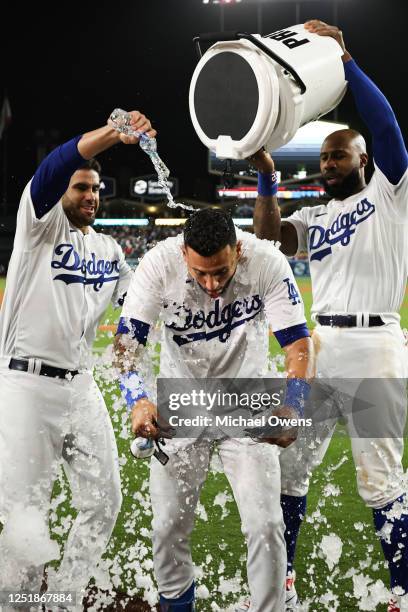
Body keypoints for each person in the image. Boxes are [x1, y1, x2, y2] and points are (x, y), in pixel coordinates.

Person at [252, 20, 408, 612]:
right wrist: (268, 179)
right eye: (322, 159)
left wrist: (344, 62)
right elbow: (269, 242)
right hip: (322, 348)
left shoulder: (390, 196)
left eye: (337, 156)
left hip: (374, 345)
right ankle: (284, 588)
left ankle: (402, 592)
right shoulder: (316, 219)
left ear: (363, 159)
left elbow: (387, 125)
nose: (326, 165)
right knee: (289, 468)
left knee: (379, 480)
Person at [114, 207, 314, 612]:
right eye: (200, 274)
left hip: (247, 404)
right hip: (181, 408)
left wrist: (294, 407)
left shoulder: (267, 263)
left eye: (220, 272)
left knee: (267, 525)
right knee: (169, 527)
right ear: (184, 252)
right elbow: (125, 349)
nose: (211, 284)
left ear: (237, 249)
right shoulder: (157, 265)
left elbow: (298, 345)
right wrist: (138, 399)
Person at [0, 110, 156, 609]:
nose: (90, 195)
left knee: (104, 500)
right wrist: (115, 134)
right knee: (26, 519)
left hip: (81, 387)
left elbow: (141, 304)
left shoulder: (110, 251)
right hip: (26, 386)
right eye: (80, 187)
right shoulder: (37, 228)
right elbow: (54, 167)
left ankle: (63, 599)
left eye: (95, 189)